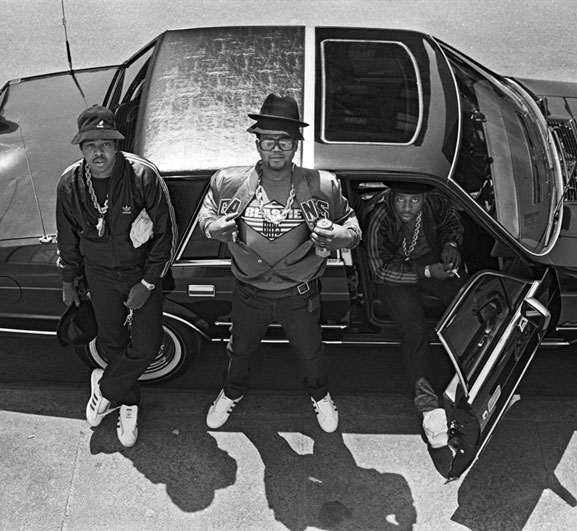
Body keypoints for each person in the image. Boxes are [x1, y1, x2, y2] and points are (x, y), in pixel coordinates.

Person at [198, 93, 362, 433]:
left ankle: (320, 395)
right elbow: (207, 215)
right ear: (257, 143)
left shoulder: (322, 185)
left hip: (298, 295)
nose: (276, 149)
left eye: (284, 141)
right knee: (238, 351)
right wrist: (215, 228)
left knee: (311, 351)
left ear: (295, 145)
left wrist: (338, 235)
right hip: (249, 293)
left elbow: (352, 227)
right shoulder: (229, 181)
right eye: (268, 140)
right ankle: (231, 393)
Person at [56, 105, 177, 447]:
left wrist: (148, 282)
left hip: (139, 273)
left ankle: (105, 389)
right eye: (90, 145)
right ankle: (129, 403)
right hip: (98, 273)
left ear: (116, 145)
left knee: (148, 344)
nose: (98, 151)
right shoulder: (70, 184)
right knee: (111, 343)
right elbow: (68, 237)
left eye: (105, 144)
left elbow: (165, 236)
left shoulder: (142, 176)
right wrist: (69, 278)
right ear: (81, 149)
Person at [364, 181, 465, 448]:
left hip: (431, 262)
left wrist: (451, 243)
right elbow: (380, 270)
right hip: (395, 276)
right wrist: (427, 271)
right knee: (415, 331)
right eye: (401, 200)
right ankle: (429, 409)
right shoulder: (380, 216)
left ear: (424, 198)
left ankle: (474, 374)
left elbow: (451, 221)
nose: (407, 207)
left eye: (414, 201)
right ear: (391, 197)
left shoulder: (436, 201)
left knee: (468, 304)